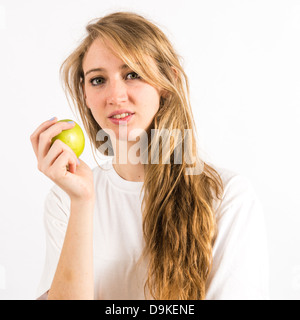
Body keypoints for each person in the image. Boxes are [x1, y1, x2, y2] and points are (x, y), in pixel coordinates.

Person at [30, 12, 269, 300]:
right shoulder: (65, 201)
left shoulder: (225, 195)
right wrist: (82, 202)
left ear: (167, 83)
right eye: (97, 80)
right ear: (84, 94)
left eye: (133, 74)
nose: (115, 95)